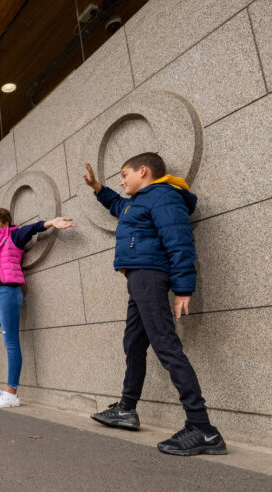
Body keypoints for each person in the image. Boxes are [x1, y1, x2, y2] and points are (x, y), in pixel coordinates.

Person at [83, 153, 227, 456]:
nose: (121, 181)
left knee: (165, 345)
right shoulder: (139, 201)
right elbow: (117, 206)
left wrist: (184, 288)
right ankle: (126, 408)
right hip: (138, 277)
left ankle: (203, 428)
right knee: (134, 343)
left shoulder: (163, 196)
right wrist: (98, 187)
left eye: (124, 175)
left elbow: (179, 240)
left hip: (150, 275)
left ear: (143, 171)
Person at [0, 209, 75, 408]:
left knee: (10, 342)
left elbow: (33, 228)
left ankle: (11, 393)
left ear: (5, 223)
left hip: (8, 291)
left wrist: (51, 222)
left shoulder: (14, 236)